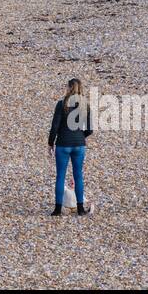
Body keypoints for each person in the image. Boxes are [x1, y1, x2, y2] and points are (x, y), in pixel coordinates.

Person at [48, 78, 92, 216]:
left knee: (60, 175)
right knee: (78, 175)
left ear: (69, 88)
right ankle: (80, 208)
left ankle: (57, 209)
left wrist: (50, 143)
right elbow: (90, 129)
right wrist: (80, 137)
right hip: (79, 145)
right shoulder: (85, 105)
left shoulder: (62, 104)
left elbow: (55, 126)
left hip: (63, 144)